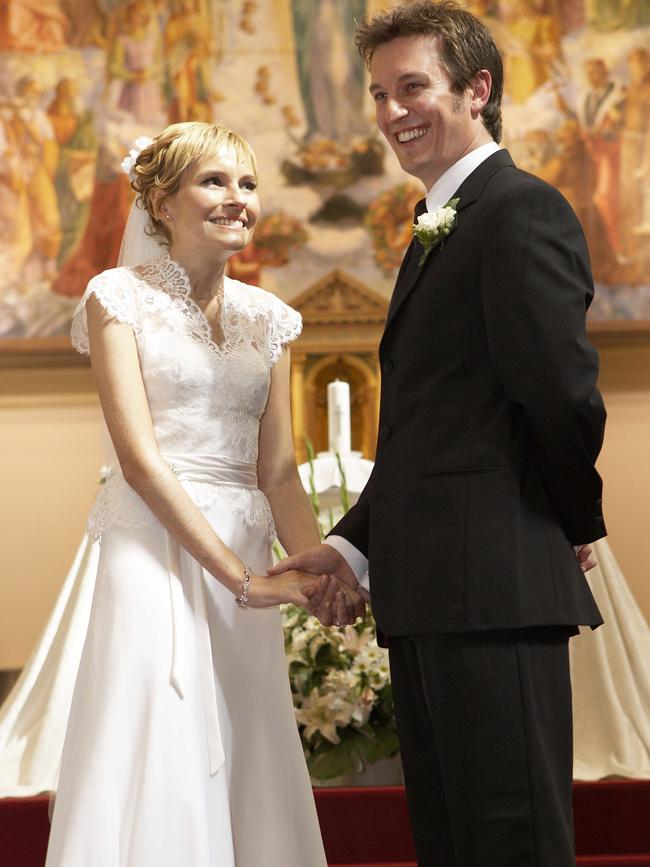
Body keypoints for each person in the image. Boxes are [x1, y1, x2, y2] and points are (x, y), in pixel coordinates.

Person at [270, 3, 607, 865]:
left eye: (411, 87)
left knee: (512, 839)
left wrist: (575, 519)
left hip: (493, 589)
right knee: (455, 844)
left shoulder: (520, 210)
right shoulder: (434, 226)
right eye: (380, 94)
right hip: (436, 597)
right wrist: (351, 548)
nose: (390, 112)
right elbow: (432, 432)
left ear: (477, 89)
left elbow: (563, 396)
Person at [45, 121, 362, 867]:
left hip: (248, 550)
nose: (238, 199)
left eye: (247, 184)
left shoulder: (268, 317)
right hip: (153, 546)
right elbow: (140, 459)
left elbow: (277, 469)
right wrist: (244, 579)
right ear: (160, 200)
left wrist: (316, 564)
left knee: (247, 735)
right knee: (160, 729)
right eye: (214, 182)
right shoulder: (115, 297)